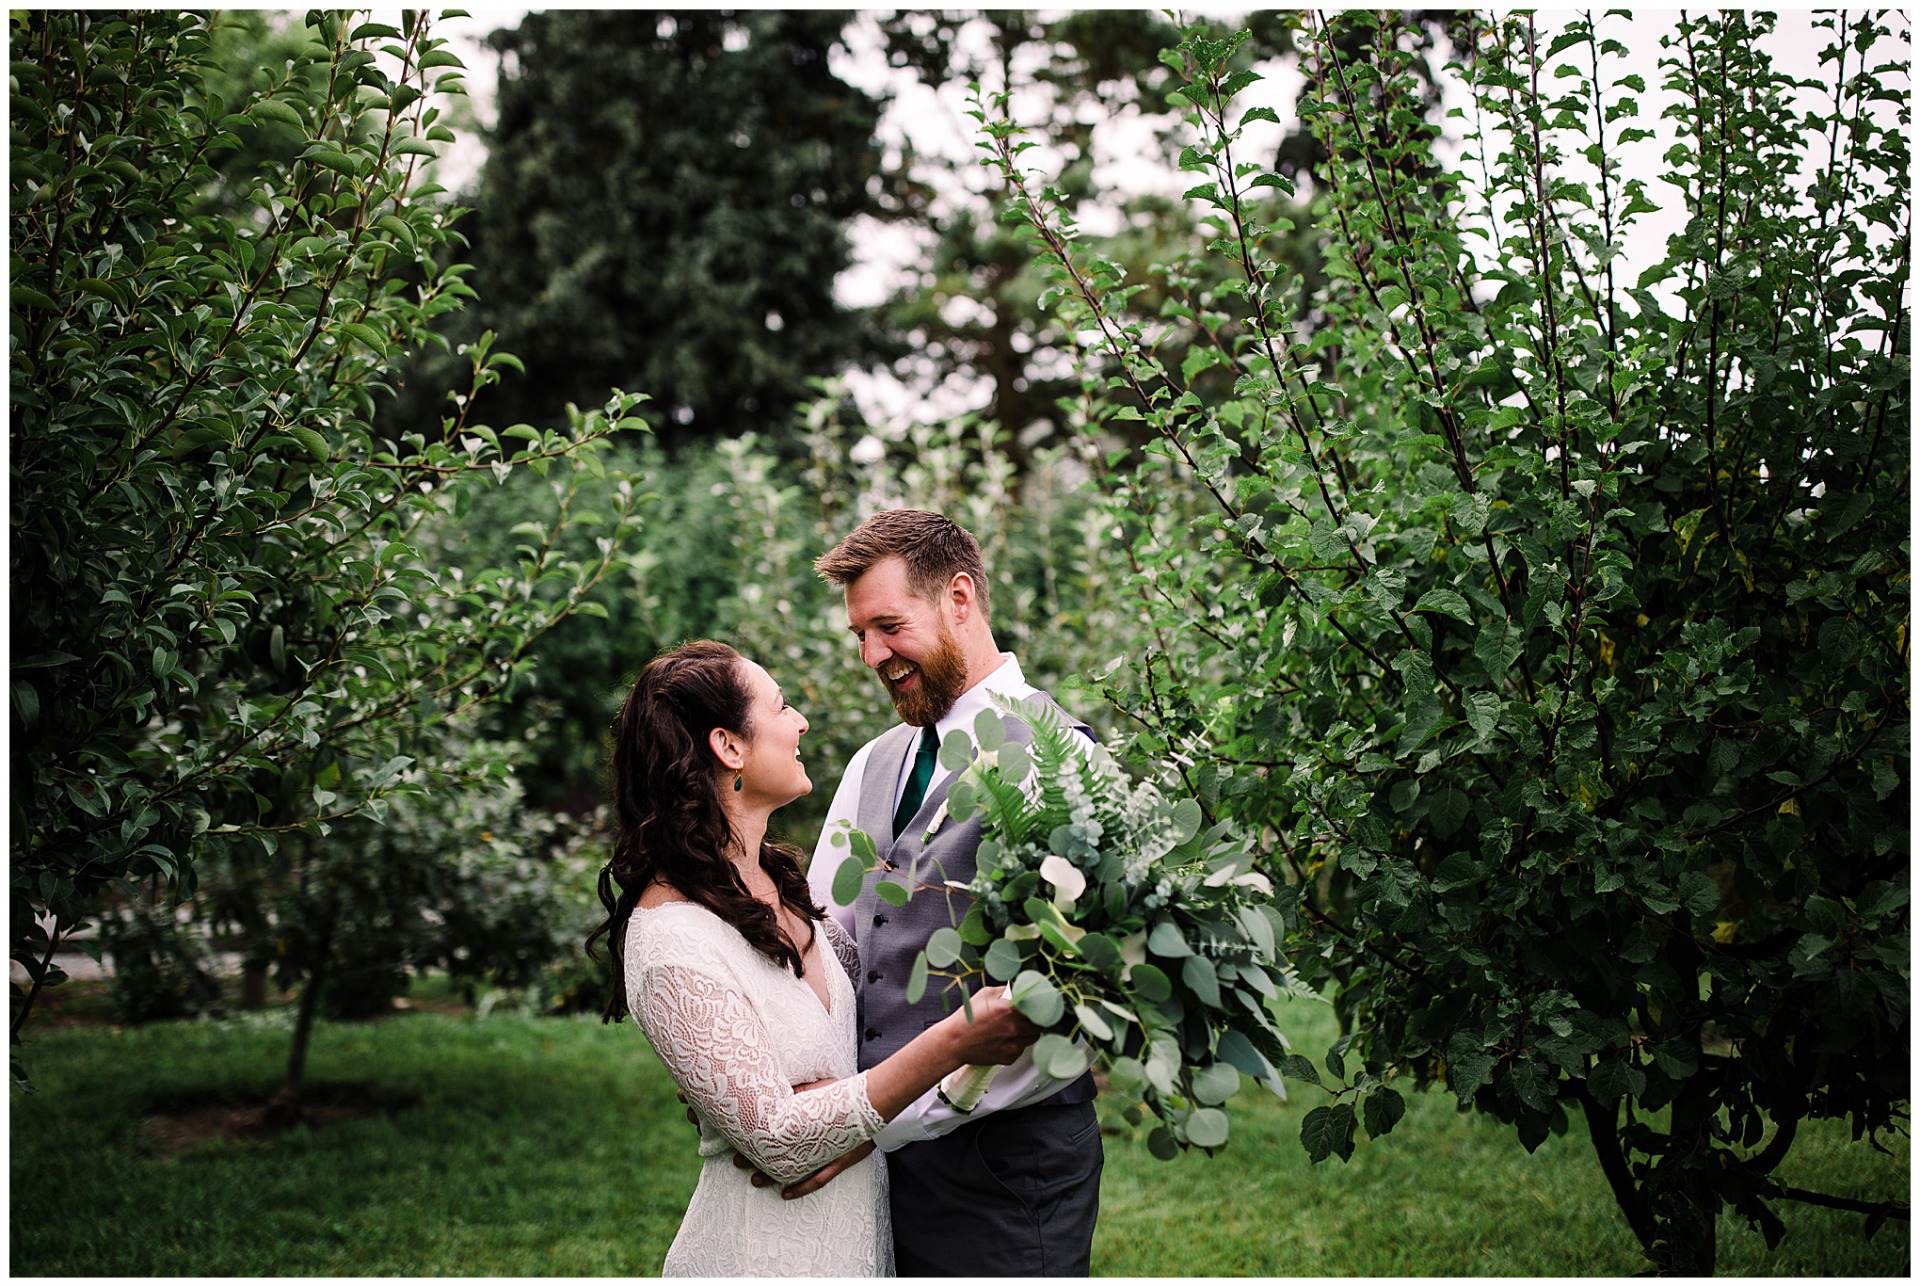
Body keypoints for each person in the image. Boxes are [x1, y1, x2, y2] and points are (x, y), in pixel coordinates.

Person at [588, 639, 1036, 1277]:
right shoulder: (670, 942)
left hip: (856, 1239)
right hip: (762, 1251)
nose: (800, 721)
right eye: (781, 706)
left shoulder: (776, 883)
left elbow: (872, 1006)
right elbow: (779, 1139)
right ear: (730, 746)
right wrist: (958, 1042)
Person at [804, 509, 1105, 1277]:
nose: (872, 654)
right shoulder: (874, 761)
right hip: (865, 1169)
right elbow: (823, 940)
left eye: (888, 626)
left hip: (1004, 1180)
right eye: (859, 635)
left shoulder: (1064, 763)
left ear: (960, 598)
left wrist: (879, 1121)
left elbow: (1062, 1008)